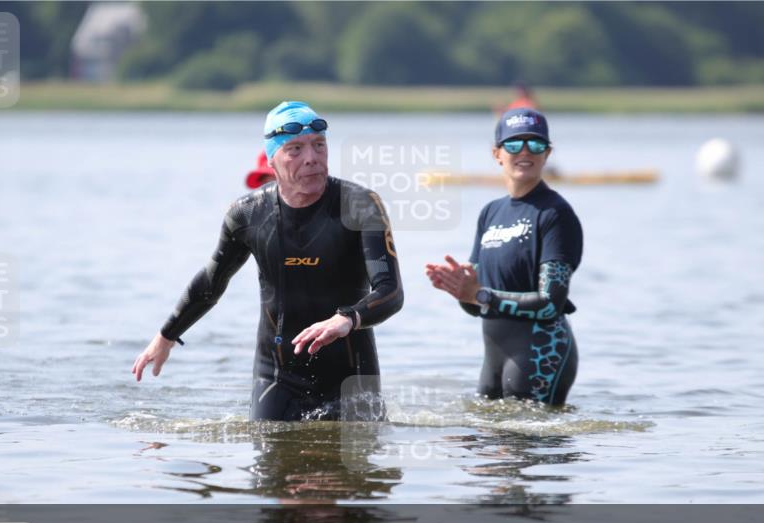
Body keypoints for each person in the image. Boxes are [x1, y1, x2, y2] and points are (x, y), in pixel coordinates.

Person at [133, 101, 403, 421]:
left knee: (348, 467)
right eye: (295, 149)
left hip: (351, 374)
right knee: (269, 464)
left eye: (319, 146)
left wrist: (347, 319)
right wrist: (166, 336)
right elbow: (211, 282)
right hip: (276, 376)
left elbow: (390, 291)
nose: (311, 158)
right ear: (271, 159)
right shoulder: (247, 214)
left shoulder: (360, 205)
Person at [425, 108, 582, 406]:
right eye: (513, 144)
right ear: (497, 153)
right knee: (482, 443)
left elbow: (551, 304)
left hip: (540, 353)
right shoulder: (490, 213)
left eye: (535, 145)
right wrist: (462, 291)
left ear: (547, 154)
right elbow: (477, 306)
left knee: (526, 449)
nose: (525, 152)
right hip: (494, 355)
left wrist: (480, 295)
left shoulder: (555, 215)